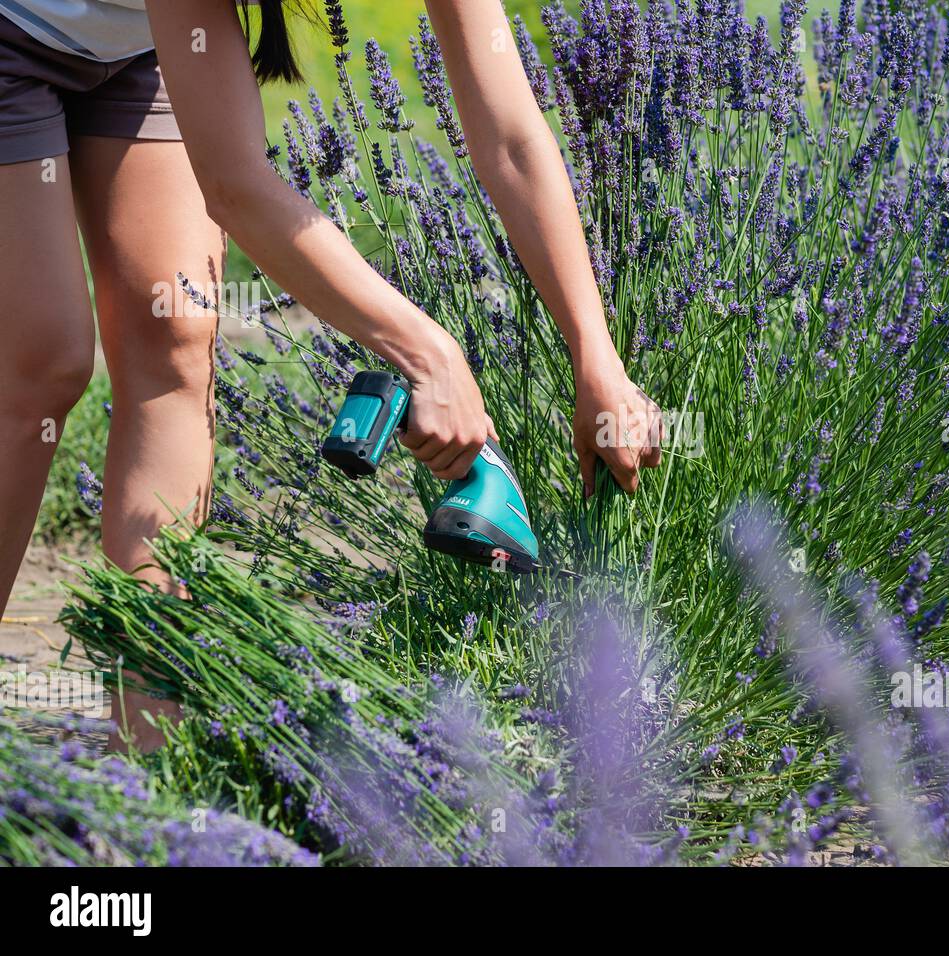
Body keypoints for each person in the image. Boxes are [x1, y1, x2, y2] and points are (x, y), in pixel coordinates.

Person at [0, 0, 661, 751]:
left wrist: (596, 355)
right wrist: (429, 353)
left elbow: (510, 135)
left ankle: (147, 756)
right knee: (43, 362)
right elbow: (235, 185)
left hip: (146, 43)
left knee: (176, 341)